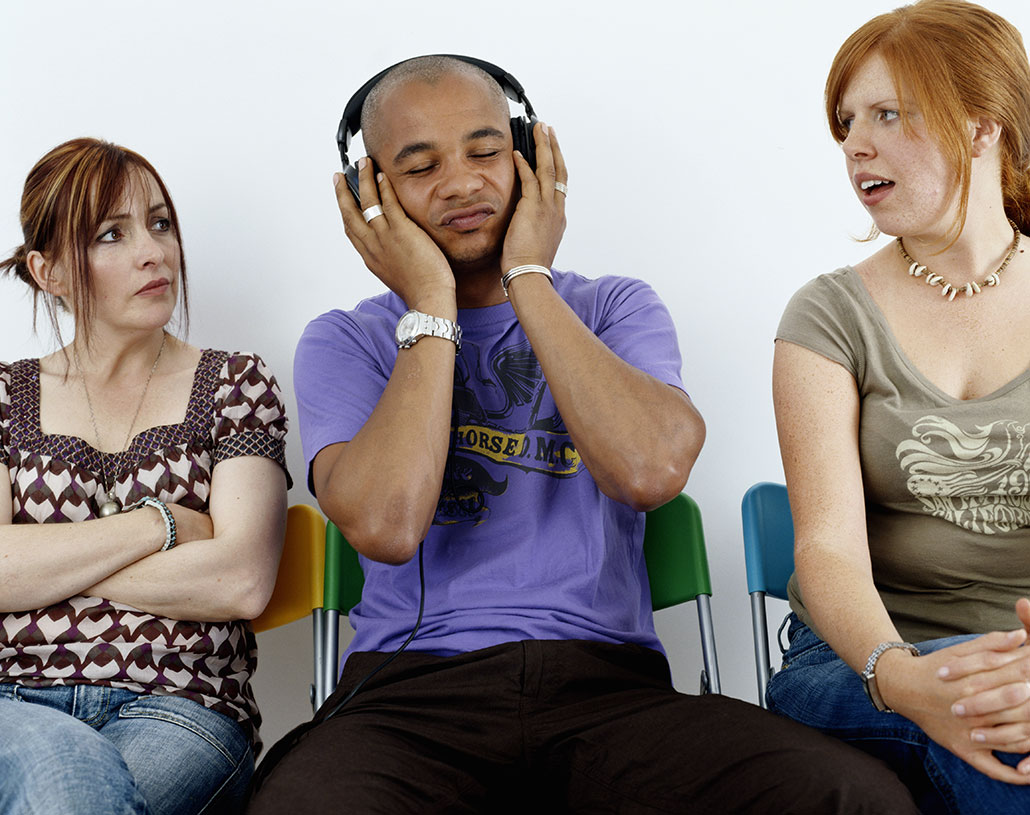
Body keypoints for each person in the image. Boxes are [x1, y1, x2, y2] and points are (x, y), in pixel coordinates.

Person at [248, 55, 919, 814]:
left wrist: (527, 278)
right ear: (371, 191)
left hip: (607, 692)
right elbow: (387, 526)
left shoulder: (612, 308)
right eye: (422, 166)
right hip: (408, 700)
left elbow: (650, 472)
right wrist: (430, 300)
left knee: (851, 797)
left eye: (485, 151)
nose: (462, 184)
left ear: (528, 156)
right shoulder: (346, 340)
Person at [767, 1, 1030, 812]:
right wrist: (902, 675)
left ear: (982, 125)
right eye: (847, 121)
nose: (855, 144)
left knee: (1004, 707)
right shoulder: (826, 315)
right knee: (996, 721)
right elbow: (828, 549)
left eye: (889, 114)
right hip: (859, 662)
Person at [0, 138, 290, 815]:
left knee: (71, 793)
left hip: (181, 707)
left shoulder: (235, 384)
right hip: (13, 703)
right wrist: (158, 526)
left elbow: (241, 581)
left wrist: (42, 568)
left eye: (160, 223)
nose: (153, 251)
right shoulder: (6, 396)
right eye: (112, 234)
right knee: (62, 768)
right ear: (49, 271)